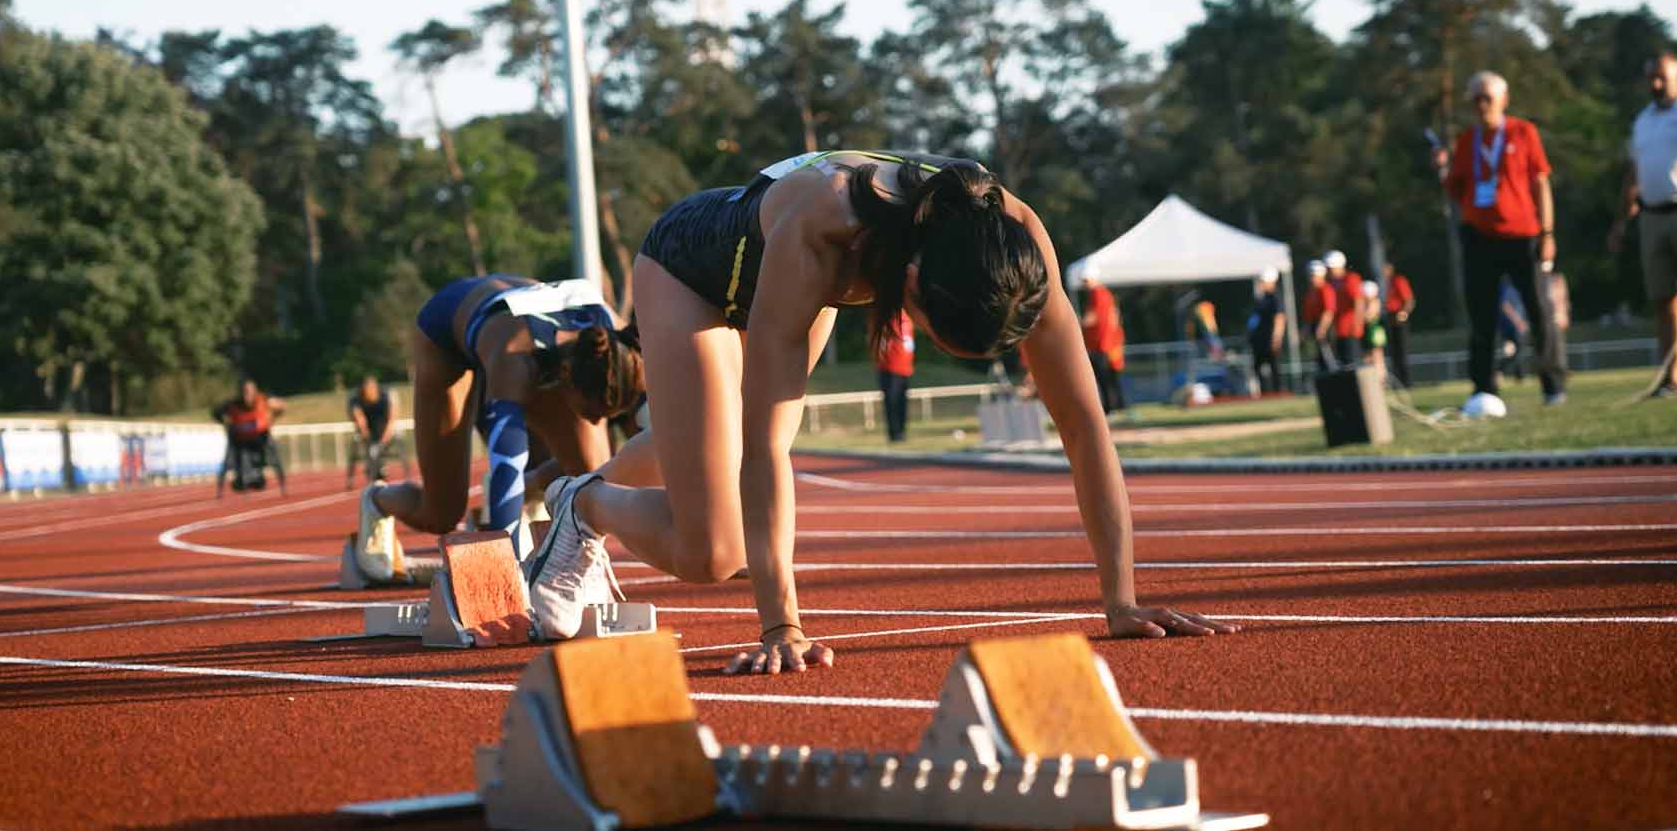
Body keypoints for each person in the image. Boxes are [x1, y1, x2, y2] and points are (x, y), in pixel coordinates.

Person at [522, 150, 1236, 673]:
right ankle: (587, 506)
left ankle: (586, 491)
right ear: (915, 285)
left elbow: (1083, 426)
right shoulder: (823, 232)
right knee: (716, 550)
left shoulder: (1013, 244)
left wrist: (1122, 598)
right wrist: (782, 624)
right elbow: (767, 447)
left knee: (711, 460)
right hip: (693, 271)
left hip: (801, 278)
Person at [352, 275, 646, 582]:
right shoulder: (514, 360)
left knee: (594, 476)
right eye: (592, 412)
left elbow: (651, 446)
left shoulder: (624, 351)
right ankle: (377, 500)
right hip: (450, 337)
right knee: (442, 513)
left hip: (544, 339)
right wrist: (503, 567)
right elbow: (506, 466)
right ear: (565, 376)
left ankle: (530, 491)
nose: (598, 423)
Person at [1435, 71, 1568, 407]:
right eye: (1475, 99)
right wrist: (1441, 169)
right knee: (1481, 316)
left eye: (1487, 98)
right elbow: (1455, 190)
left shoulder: (1524, 132)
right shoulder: (1467, 141)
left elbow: (1541, 184)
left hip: (1523, 236)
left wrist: (1547, 232)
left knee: (1539, 311)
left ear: (1503, 100)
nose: (1481, 106)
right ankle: (1483, 390)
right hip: (1479, 238)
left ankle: (1553, 385)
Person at [1606, 46, 1677, 397]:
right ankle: (1673, 379)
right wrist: (1620, 219)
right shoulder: (1643, 120)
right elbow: (1633, 171)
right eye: (1651, 78)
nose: (1655, 83)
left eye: (1662, 77)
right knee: (1664, 300)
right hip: (1653, 215)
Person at [213, 379, 288, 496]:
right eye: (245, 392)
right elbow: (216, 412)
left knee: (274, 458)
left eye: (250, 391)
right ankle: (220, 491)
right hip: (240, 437)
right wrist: (226, 424)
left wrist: (273, 418)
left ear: (255, 392)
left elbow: (281, 406)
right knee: (229, 460)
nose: (247, 395)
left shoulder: (264, 399)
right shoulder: (233, 404)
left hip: (261, 435)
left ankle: (283, 487)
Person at [1079, 269, 1127, 414]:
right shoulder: (1107, 294)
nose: (1085, 284)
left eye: (1086, 281)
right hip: (1109, 343)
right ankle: (1119, 406)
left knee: (1103, 377)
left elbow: (1092, 317)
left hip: (1099, 343)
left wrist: (1077, 324)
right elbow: (1114, 316)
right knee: (1112, 376)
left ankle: (1109, 407)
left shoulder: (1096, 294)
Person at [346, 375, 405, 487]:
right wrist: (369, 441)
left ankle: (380, 467)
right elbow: (360, 420)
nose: (370, 392)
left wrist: (383, 442)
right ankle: (372, 470)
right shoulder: (355, 399)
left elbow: (392, 419)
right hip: (369, 432)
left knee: (381, 448)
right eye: (367, 390)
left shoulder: (387, 396)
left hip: (385, 430)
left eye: (372, 389)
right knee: (369, 449)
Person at [875, 313, 915, 442]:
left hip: (905, 369)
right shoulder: (887, 320)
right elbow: (881, 344)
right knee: (892, 404)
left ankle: (902, 433)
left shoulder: (908, 319)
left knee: (902, 403)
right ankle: (894, 434)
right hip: (890, 369)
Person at [1247, 268, 1285, 395]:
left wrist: (1276, 338)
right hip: (1260, 340)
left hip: (1270, 339)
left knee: (1274, 368)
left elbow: (1280, 318)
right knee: (1258, 367)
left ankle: (1277, 393)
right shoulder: (1261, 299)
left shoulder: (1275, 298)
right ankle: (1265, 394)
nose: (1261, 284)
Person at [1324, 250, 1364, 370]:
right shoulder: (1331, 283)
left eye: (1330, 268)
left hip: (1350, 329)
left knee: (1352, 365)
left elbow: (1358, 302)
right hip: (1339, 330)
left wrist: (1357, 323)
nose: (1328, 271)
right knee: (1343, 365)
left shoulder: (1351, 279)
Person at [1382, 263, 1416, 387]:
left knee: (1402, 351)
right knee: (1394, 353)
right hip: (1390, 317)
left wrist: (1403, 313)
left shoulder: (1398, 281)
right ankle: (1398, 381)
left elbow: (1409, 300)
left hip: (1399, 317)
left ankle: (1406, 381)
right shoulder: (1386, 283)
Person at [1301, 260, 1337, 371]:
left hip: (1325, 328)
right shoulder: (1311, 291)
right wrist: (1305, 330)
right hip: (1315, 327)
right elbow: (1308, 315)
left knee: (1328, 359)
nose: (1312, 278)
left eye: (1314, 275)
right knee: (1319, 360)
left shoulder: (1325, 289)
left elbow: (1329, 311)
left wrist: (1322, 328)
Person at [1360, 279, 1387, 370]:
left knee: (1377, 356)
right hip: (1368, 331)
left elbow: (1368, 317)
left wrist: (1359, 314)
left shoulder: (1374, 302)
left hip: (1374, 332)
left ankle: (1381, 379)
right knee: (1367, 356)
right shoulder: (1365, 303)